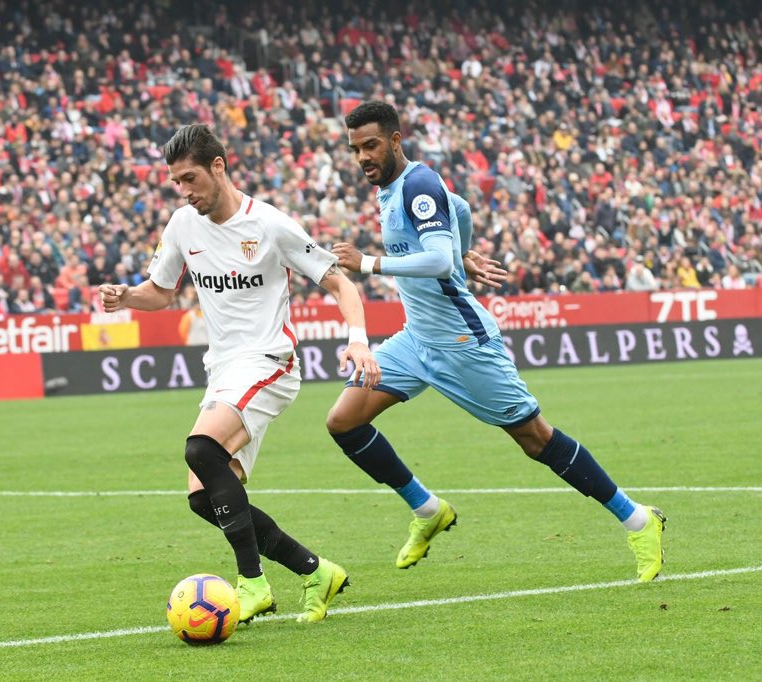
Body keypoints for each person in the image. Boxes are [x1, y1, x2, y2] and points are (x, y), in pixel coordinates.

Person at [326, 101, 665, 582]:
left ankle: (638, 519)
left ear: (396, 140)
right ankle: (428, 510)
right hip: (416, 340)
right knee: (343, 421)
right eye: (355, 149)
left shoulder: (418, 184)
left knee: (535, 439)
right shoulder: (392, 189)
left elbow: (438, 261)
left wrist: (370, 263)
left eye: (371, 145)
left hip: (463, 341)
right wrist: (464, 249)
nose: (362, 156)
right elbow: (460, 209)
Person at [99, 124, 380, 624]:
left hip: (270, 361)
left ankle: (253, 583)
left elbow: (341, 284)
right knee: (203, 496)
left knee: (200, 448)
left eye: (190, 179)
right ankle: (316, 571)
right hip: (224, 369)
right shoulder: (182, 225)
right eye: (176, 183)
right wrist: (126, 297)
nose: (184, 191)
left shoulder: (269, 225)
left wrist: (357, 340)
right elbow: (159, 292)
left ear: (219, 167)